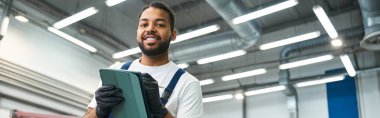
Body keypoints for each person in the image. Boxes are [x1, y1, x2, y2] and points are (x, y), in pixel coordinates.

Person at [83, 2, 203, 118]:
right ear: (137, 33)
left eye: (160, 24)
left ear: (173, 34)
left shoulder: (188, 84)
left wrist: (160, 111)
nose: (150, 29)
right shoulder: (115, 71)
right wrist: (99, 110)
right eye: (144, 25)